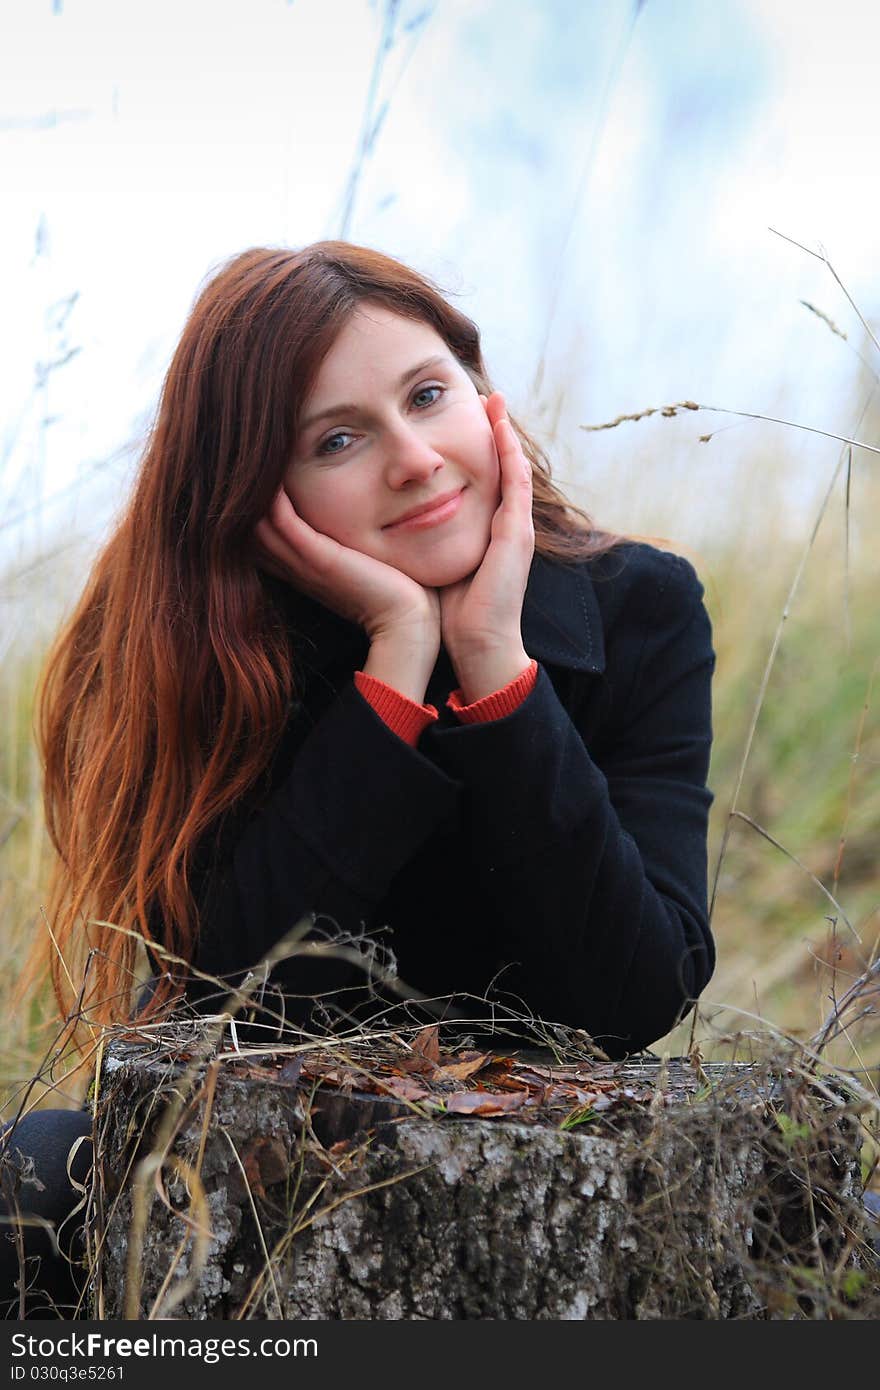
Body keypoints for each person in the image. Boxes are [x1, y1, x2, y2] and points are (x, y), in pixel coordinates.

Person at [1, 241, 716, 1316]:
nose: (418, 459)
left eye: (428, 396)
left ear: (483, 396)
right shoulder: (197, 656)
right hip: (235, 1175)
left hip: (547, 1169)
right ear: (259, 493)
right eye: (338, 438)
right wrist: (395, 657)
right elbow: (226, 1010)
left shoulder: (639, 608)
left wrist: (495, 673)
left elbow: (633, 995)